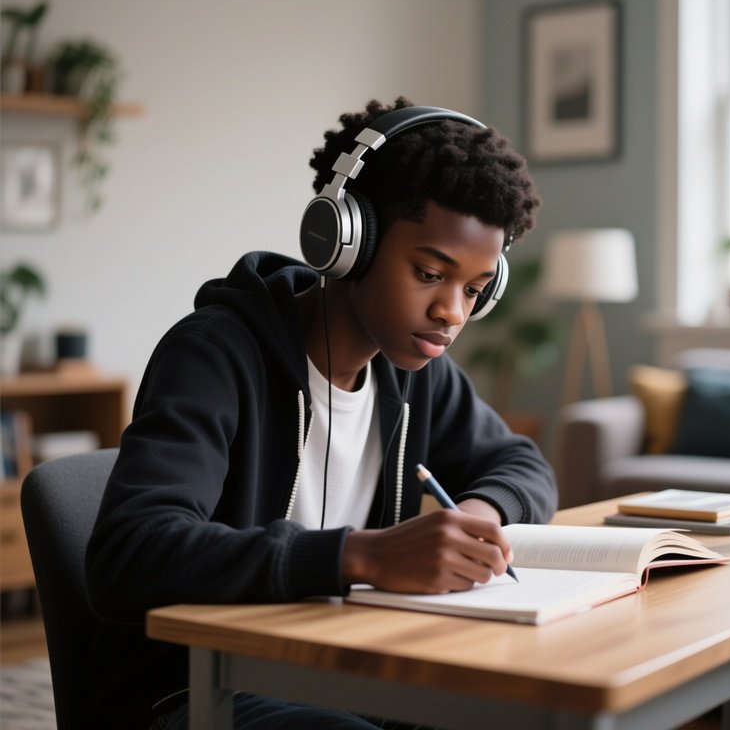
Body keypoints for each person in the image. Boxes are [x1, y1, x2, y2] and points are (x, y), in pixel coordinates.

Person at [84, 96, 558, 729]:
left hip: (344, 673)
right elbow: (130, 554)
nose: (452, 312)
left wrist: (478, 514)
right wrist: (358, 556)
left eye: (473, 289)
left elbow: (521, 462)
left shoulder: (417, 375)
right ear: (345, 243)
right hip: (197, 691)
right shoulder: (216, 355)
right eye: (428, 272)